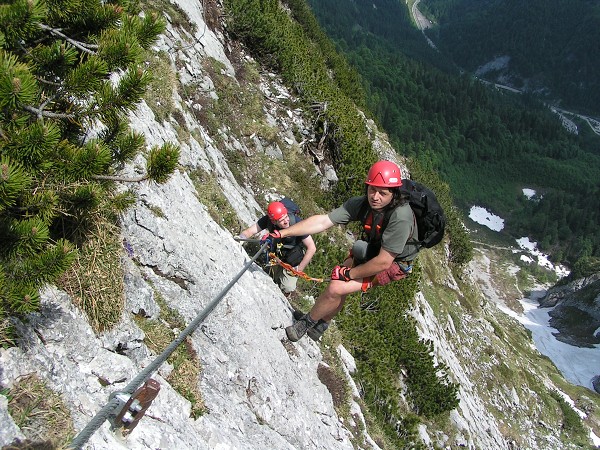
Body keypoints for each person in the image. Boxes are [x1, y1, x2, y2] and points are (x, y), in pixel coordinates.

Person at [265, 160, 419, 342]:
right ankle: (320, 325)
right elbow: (322, 221)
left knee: (336, 286)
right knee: (344, 276)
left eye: (382, 193)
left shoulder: (400, 218)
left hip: (394, 264)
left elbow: (384, 262)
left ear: (394, 194)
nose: (375, 197)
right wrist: (283, 233)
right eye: (372, 190)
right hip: (375, 250)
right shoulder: (362, 205)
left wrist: (349, 273)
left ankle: (307, 324)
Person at [239, 200, 316, 295]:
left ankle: (285, 293)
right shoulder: (268, 221)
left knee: (287, 287)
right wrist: (241, 238)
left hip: (292, 260)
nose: (286, 221)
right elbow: (249, 231)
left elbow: (312, 248)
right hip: (276, 256)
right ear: (274, 221)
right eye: (281, 220)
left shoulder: (297, 223)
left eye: (286, 217)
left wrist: (299, 270)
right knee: (272, 277)